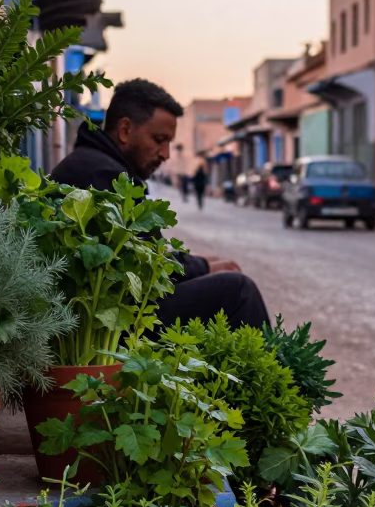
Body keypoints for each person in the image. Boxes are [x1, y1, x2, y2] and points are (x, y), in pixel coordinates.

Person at [50, 78, 269, 330]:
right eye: (158, 139)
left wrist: (199, 265)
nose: (165, 153)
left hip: (104, 314)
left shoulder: (95, 162)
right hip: (102, 327)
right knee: (238, 290)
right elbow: (150, 267)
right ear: (125, 130)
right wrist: (204, 266)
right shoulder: (105, 175)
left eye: (169, 143)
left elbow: (146, 253)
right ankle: (273, 370)